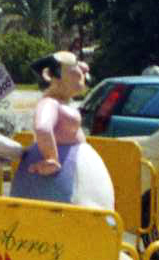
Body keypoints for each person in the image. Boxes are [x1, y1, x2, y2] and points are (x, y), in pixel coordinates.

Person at [9, 50, 112, 206]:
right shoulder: (50, 103)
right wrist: (51, 158)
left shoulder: (62, 103)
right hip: (62, 179)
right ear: (50, 75)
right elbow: (43, 128)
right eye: (75, 64)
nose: (84, 68)